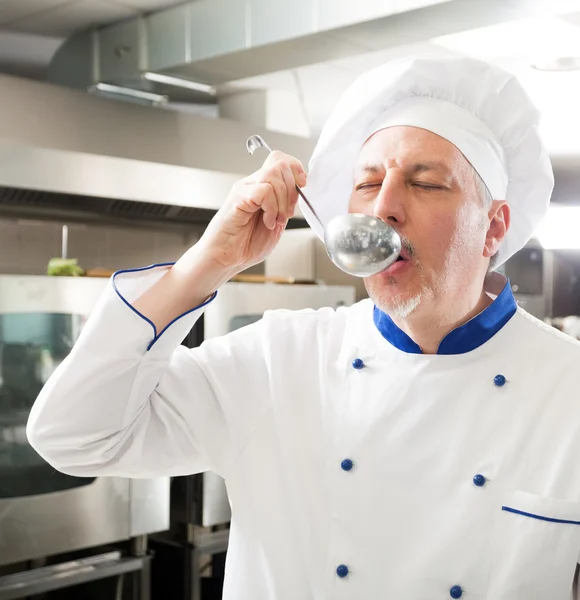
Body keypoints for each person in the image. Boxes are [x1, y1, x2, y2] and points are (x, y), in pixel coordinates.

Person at [27, 56, 580, 600]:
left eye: (426, 183)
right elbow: (73, 436)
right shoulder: (280, 357)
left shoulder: (568, 388)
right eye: (366, 184)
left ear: (493, 227)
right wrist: (205, 264)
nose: (382, 206)